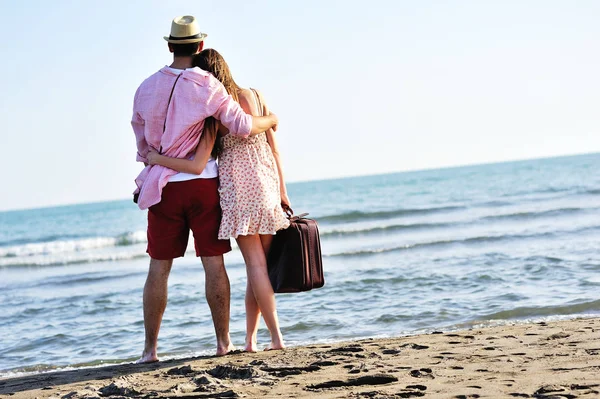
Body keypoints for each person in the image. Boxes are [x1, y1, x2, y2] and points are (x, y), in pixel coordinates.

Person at [131, 16, 279, 363]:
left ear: (170, 46)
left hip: (162, 187)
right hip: (202, 185)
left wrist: (157, 156)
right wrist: (271, 120)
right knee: (213, 263)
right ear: (198, 46)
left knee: (158, 268)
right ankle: (223, 344)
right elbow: (242, 126)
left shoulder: (144, 87)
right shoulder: (207, 85)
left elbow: (140, 145)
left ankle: (150, 350)